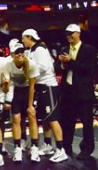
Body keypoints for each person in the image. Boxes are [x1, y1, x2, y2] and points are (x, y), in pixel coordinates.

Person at [22, 29, 68, 163]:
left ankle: (61, 150)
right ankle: (48, 145)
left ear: (30, 37)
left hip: (48, 86)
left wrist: (27, 66)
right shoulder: (31, 50)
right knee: (46, 119)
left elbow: (43, 67)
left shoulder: (40, 49)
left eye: (24, 38)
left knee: (53, 119)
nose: (23, 40)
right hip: (40, 87)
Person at [56, 24, 97, 160]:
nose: (69, 36)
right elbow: (57, 67)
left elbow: (88, 69)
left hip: (84, 93)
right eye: (67, 33)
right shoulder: (64, 49)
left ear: (78, 34)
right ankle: (66, 146)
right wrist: (62, 64)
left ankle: (87, 149)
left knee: (86, 123)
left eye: (71, 33)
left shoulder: (89, 50)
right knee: (67, 121)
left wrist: (70, 62)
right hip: (68, 92)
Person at [4, 42, 40, 162]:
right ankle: (17, 148)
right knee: (16, 119)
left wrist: (30, 106)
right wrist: (7, 98)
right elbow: (7, 85)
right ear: (12, 55)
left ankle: (35, 148)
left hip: (28, 91)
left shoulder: (31, 64)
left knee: (31, 116)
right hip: (16, 92)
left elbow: (32, 87)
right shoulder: (8, 65)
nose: (20, 54)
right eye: (17, 53)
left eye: (22, 52)